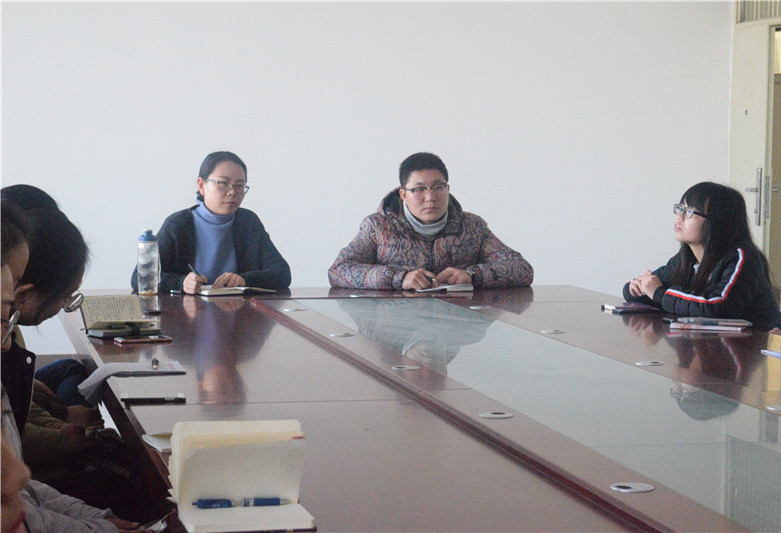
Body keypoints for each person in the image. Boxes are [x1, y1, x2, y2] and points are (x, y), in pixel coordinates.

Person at [2, 202, 152, 532]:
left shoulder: (9, 338)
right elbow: (19, 491)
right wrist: (65, 437)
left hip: (37, 495)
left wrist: (60, 414)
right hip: (39, 485)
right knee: (125, 489)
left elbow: (20, 477)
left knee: (70, 370)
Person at [328, 152, 534, 290]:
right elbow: (339, 271)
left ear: (448, 189)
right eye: (419, 189)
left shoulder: (472, 227)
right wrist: (399, 278)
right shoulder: (378, 227)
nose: (430, 197)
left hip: (457, 325)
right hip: (395, 330)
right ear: (403, 195)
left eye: (438, 187)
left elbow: (522, 269)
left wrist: (473, 276)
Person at [623, 181, 781, 334]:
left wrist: (659, 293)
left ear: (717, 222)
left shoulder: (741, 257)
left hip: (761, 348)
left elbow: (718, 307)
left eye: (689, 211)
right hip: (717, 345)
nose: (679, 217)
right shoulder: (686, 258)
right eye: (680, 208)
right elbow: (660, 293)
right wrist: (636, 289)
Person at [129, 151, 291, 294]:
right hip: (186, 313)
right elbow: (140, 278)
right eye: (223, 183)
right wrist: (181, 282)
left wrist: (244, 280)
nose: (232, 192)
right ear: (201, 185)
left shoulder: (248, 222)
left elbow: (282, 273)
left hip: (239, 313)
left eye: (240, 185)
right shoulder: (178, 224)